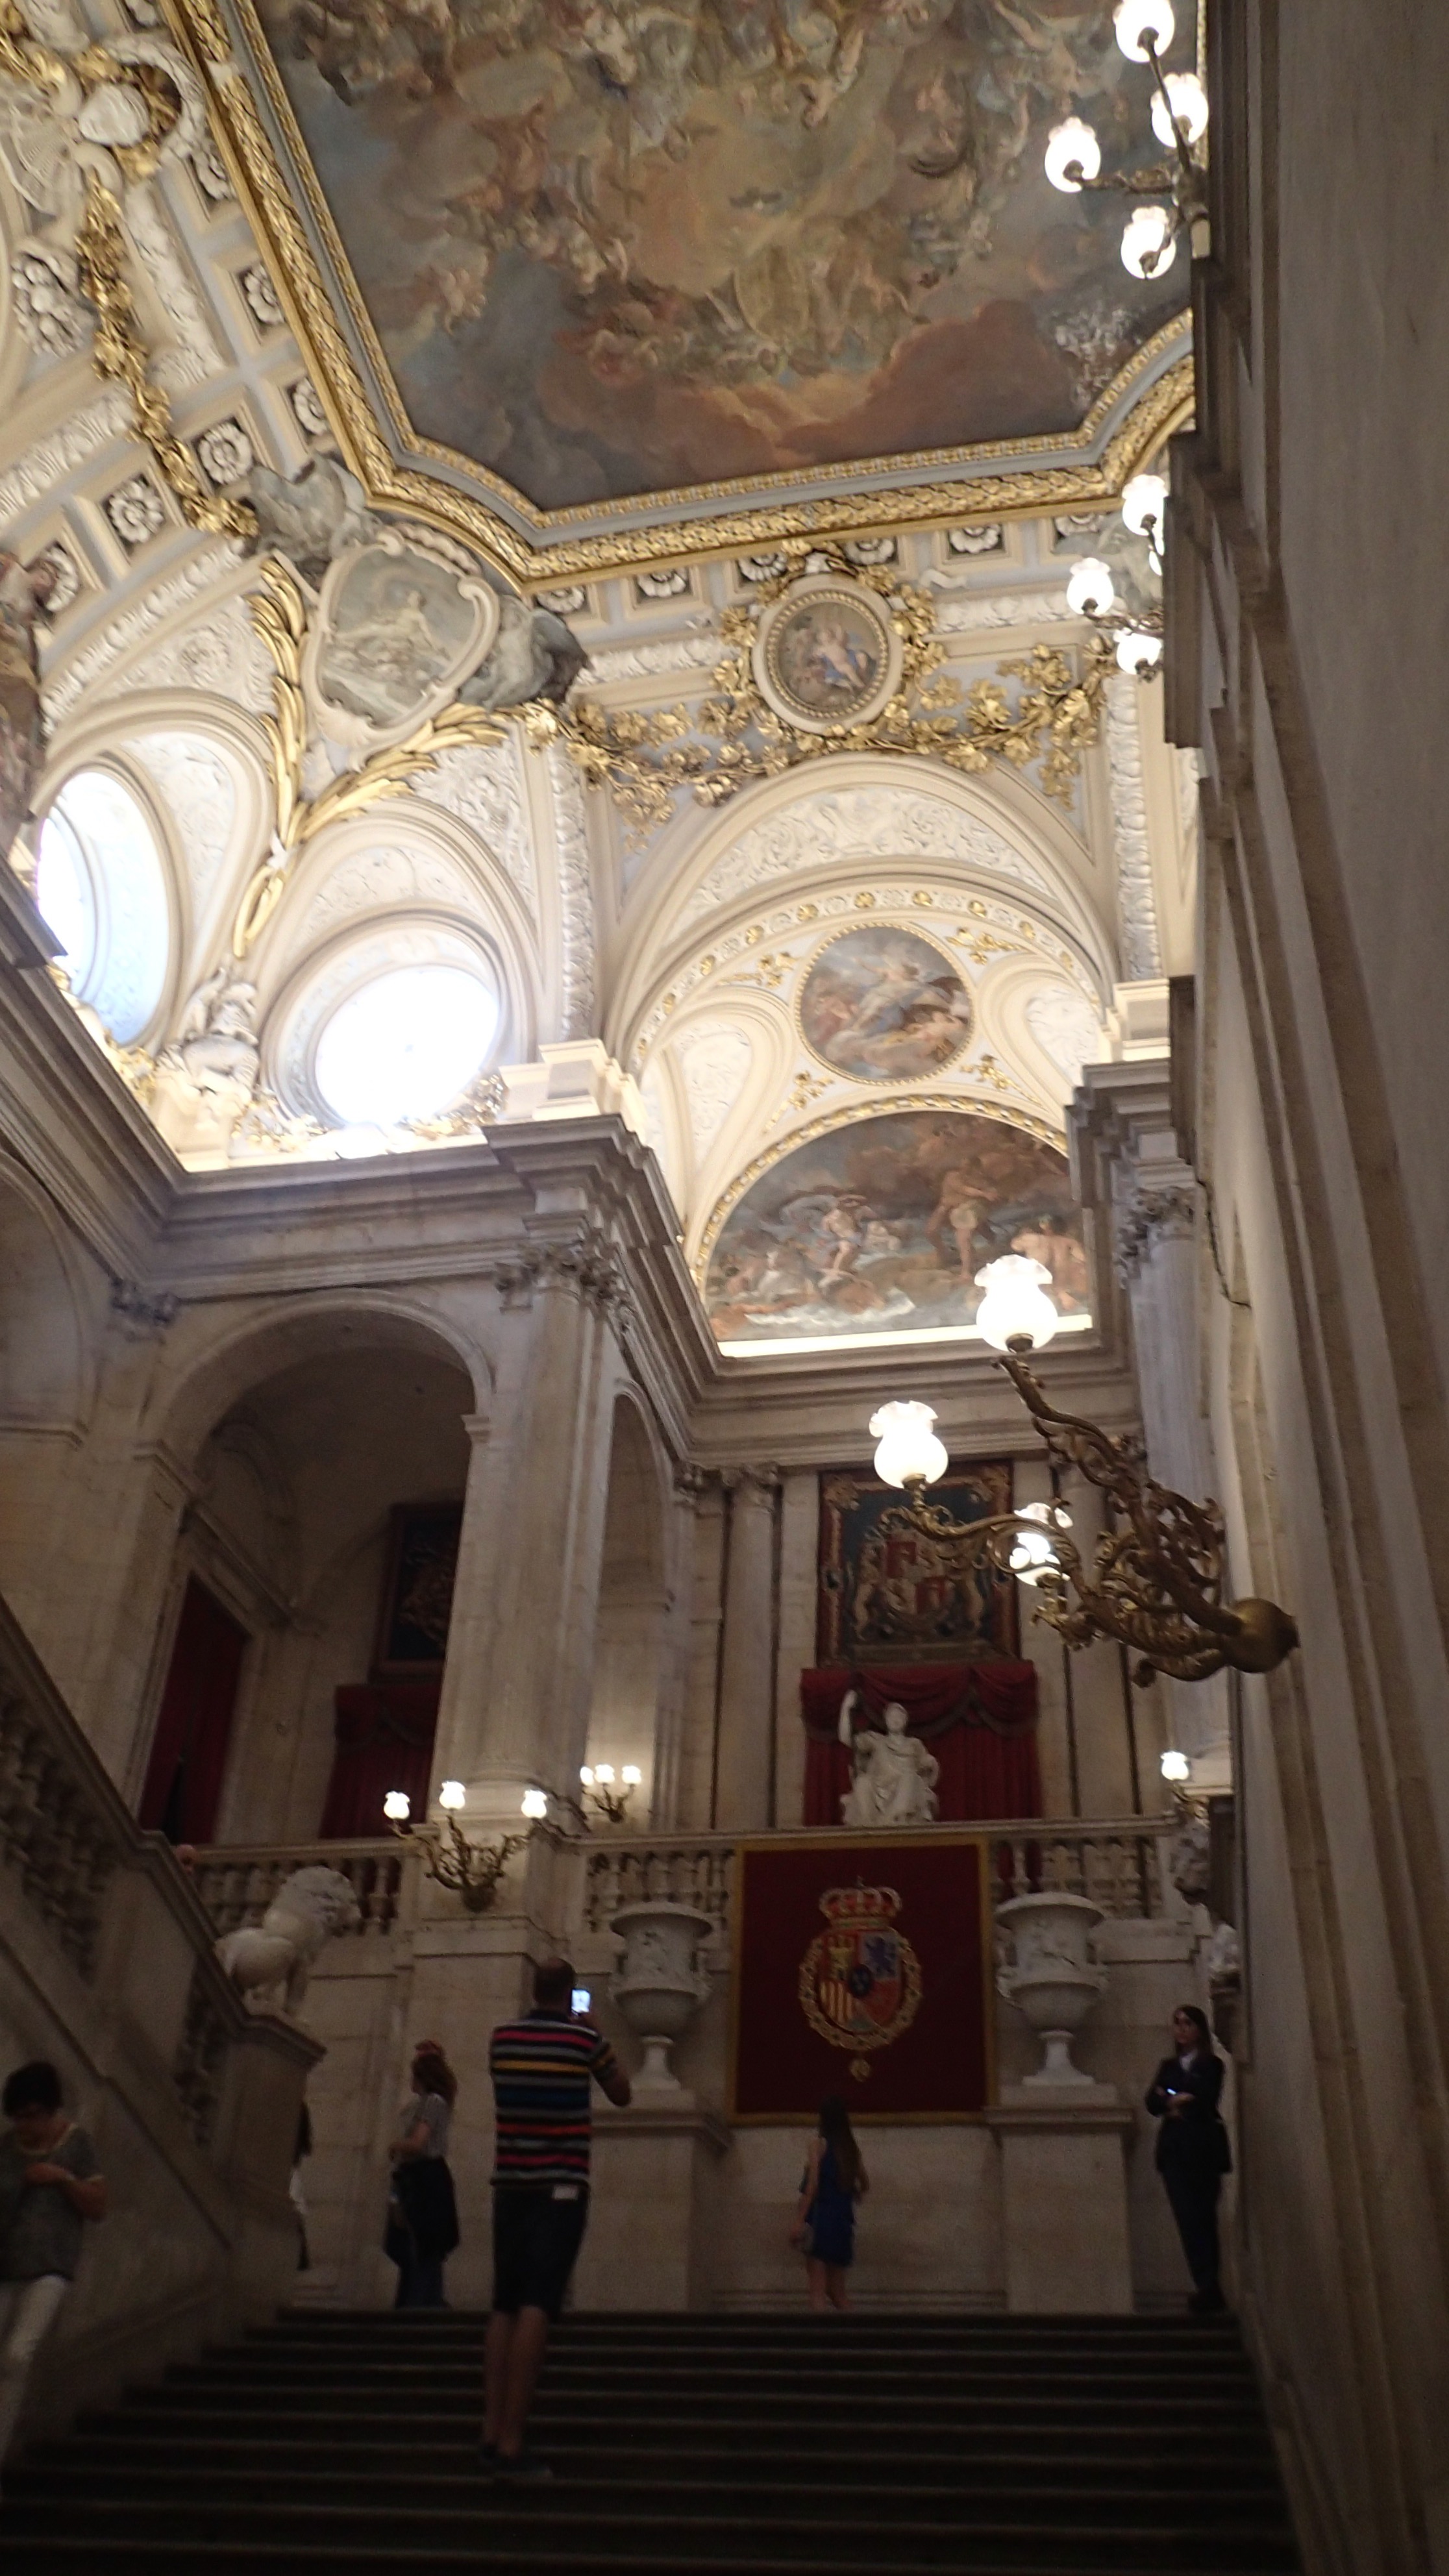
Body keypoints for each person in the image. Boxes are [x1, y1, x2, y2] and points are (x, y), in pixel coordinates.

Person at [484, 1957, 630, 2483]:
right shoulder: (582, 2041)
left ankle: (490, 2430)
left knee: (503, 2305)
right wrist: (596, 2035)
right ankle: (512, 2442)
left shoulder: (502, 2040)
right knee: (538, 2305)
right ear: (570, 1994)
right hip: (559, 2190)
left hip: (510, 2186)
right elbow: (622, 2093)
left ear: (533, 1988)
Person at [0, 2061, 106, 2486]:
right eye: (19, 2118)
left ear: (50, 2110)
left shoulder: (76, 2143)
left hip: (50, 2266)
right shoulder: (7, 2148)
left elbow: (98, 2205)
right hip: (6, 2264)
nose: (26, 2127)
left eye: (33, 2116)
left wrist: (61, 2178)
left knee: (17, 2354)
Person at [1146, 2004, 1232, 2313]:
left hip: (1203, 2150)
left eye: (1188, 2023)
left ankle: (1210, 2286)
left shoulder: (1211, 2064)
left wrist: (1171, 2096)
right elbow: (1152, 2102)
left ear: (1199, 2029)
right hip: (1174, 2152)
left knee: (1204, 2219)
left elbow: (1204, 2098)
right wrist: (1176, 2098)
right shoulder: (1169, 2066)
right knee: (1186, 2220)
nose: (1181, 2029)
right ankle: (1204, 2284)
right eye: (1177, 2023)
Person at [385, 2041, 460, 2309]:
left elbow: (418, 2143)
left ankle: (420, 2302)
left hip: (424, 2178)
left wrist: (395, 2146)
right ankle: (426, 2300)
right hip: (425, 2177)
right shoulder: (432, 2103)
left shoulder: (431, 2103)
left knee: (421, 2243)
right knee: (423, 2245)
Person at [791, 2096, 868, 2312]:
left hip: (822, 2221)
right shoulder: (851, 2151)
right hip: (843, 2224)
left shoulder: (818, 2144)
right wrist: (854, 2192)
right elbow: (865, 2183)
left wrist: (799, 2221)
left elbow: (813, 2185)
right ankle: (862, 2331)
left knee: (817, 2289)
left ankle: (819, 2334)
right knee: (837, 2293)